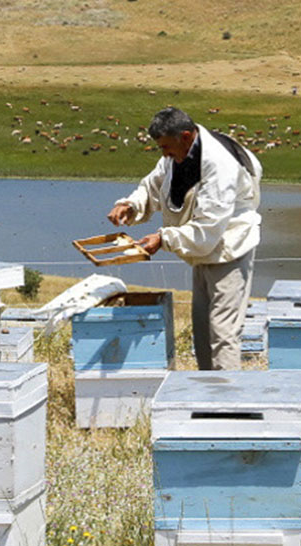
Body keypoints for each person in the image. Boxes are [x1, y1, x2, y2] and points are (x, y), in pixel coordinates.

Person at [106, 107, 263, 370]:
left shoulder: (219, 165)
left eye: (166, 147)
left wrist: (163, 238)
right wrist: (131, 205)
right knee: (202, 328)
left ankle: (227, 403)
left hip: (229, 249)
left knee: (223, 333)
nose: (164, 153)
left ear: (187, 136)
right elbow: (155, 184)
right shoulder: (177, 151)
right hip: (202, 250)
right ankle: (204, 394)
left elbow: (208, 228)